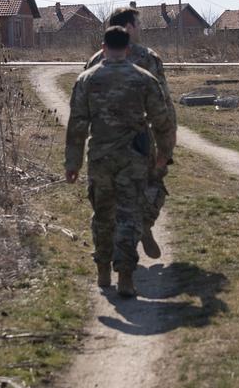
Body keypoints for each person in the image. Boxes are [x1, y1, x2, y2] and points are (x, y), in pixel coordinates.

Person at [66, 26, 176, 297]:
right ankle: (125, 276)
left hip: (100, 159)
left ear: (103, 47)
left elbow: (77, 125)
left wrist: (73, 163)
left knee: (103, 215)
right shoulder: (144, 79)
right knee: (129, 215)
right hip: (133, 159)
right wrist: (164, 153)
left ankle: (103, 270)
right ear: (128, 49)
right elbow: (162, 121)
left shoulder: (86, 80)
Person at [85, 5, 176, 260]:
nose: (141, 30)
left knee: (106, 196)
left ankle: (115, 244)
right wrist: (168, 142)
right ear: (128, 27)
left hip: (102, 143)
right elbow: (164, 103)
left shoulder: (96, 59)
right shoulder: (149, 58)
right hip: (140, 141)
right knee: (153, 186)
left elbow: (83, 103)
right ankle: (141, 225)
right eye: (138, 24)